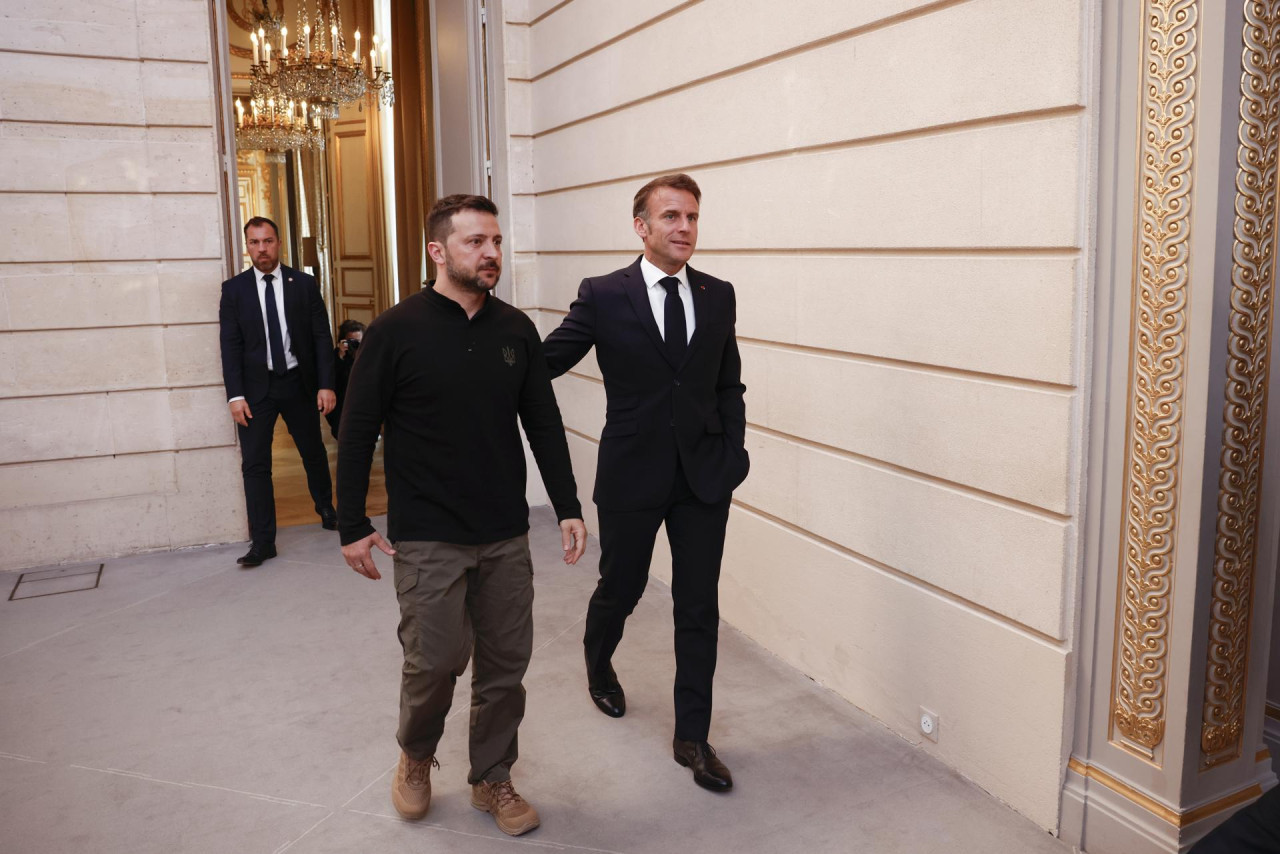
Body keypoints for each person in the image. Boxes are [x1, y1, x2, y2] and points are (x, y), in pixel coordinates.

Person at [337, 194, 587, 837]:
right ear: (437, 251)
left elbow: (543, 423)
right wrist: (351, 523)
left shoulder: (515, 330)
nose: (491, 254)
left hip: (503, 529)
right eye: (476, 242)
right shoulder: (396, 330)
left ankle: (491, 775)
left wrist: (566, 505)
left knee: (506, 664)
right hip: (427, 532)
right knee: (434, 659)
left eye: (496, 241)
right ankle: (416, 758)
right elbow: (358, 429)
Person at [543, 173, 749, 792]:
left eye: (691, 217)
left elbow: (727, 383)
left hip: (703, 479)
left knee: (698, 605)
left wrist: (732, 455)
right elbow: (547, 360)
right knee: (622, 586)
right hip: (632, 472)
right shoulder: (605, 294)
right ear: (642, 227)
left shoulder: (718, 294)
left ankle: (694, 738)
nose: (684, 228)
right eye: (671, 217)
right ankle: (598, 659)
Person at [219, 216, 338, 567]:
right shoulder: (234, 290)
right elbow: (230, 346)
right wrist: (235, 395)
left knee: (313, 451)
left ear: (278, 242)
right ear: (247, 246)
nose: (262, 249)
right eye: (254, 243)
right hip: (256, 389)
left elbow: (321, 336)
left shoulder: (303, 284)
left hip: (297, 382)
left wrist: (326, 384)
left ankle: (326, 509)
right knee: (255, 464)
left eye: (267, 241)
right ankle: (263, 542)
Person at [325, 318, 365, 439]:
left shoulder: (368, 354)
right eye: (352, 342)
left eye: (359, 342)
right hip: (341, 403)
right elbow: (333, 380)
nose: (355, 345)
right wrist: (341, 357)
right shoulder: (335, 357)